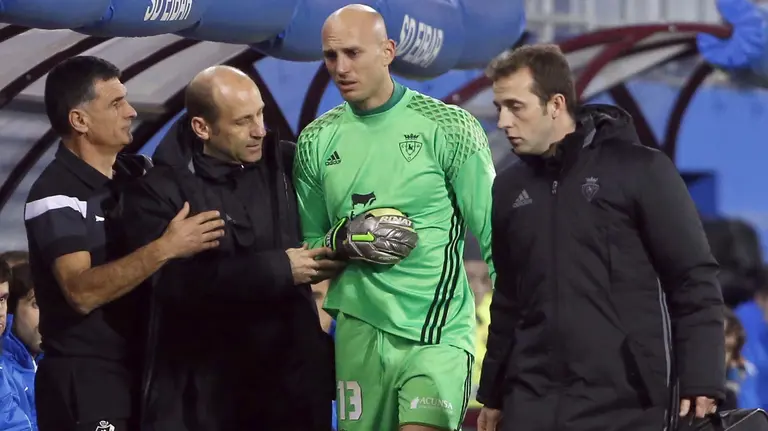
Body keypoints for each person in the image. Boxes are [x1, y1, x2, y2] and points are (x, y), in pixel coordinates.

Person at [476, 44, 725, 431]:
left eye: (516, 106)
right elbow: (509, 299)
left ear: (555, 104)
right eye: (499, 108)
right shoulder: (508, 189)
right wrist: (492, 393)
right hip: (532, 400)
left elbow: (693, 279)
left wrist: (703, 377)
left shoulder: (642, 170)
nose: (504, 121)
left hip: (629, 401)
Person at [294, 5, 496, 431]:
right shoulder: (315, 141)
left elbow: (497, 237)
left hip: (434, 330)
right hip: (358, 334)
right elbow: (312, 255)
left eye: (353, 53)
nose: (341, 68)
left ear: (388, 51)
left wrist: (512, 346)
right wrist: (345, 240)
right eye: (331, 57)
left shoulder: (450, 128)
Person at [119, 65, 341, 431]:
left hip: (294, 392)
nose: (259, 130)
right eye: (242, 122)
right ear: (202, 127)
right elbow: (171, 287)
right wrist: (279, 270)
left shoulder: (288, 166)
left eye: (260, 114)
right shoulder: (160, 190)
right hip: (209, 399)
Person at [24, 56, 226, 431]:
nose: (131, 111)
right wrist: (166, 247)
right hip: (87, 385)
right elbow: (80, 291)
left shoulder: (139, 175)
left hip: (146, 377)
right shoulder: (54, 194)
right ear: (79, 120)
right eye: (115, 103)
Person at [3, 263, 41, 430]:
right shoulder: (5, 368)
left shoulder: (52, 361)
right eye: (37, 304)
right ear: (12, 308)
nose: (49, 313)